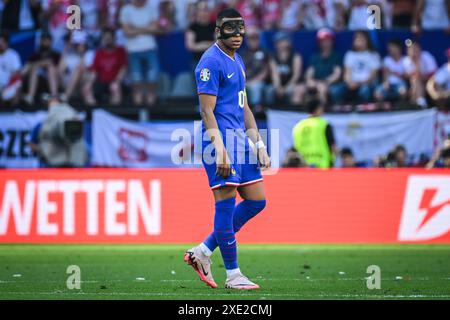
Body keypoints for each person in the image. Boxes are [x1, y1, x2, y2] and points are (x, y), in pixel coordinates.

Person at [185, 8, 270, 290]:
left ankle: (203, 251)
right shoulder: (209, 62)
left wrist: (258, 143)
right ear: (218, 30)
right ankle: (233, 275)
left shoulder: (238, 59)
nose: (237, 35)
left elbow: (244, 105)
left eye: (241, 29)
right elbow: (207, 112)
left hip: (241, 142)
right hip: (219, 141)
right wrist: (220, 150)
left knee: (257, 201)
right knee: (225, 206)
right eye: (230, 29)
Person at [119, 0, 163, 106]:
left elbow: (155, 28)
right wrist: (146, 28)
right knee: (136, 80)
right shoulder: (126, 10)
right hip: (133, 50)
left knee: (152, 79)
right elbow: (127, 32)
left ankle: (151, 110)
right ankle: (138, 111)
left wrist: (134, 28)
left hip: (150, 48)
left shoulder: (151, 9)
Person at [333, 31, 380, 104]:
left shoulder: (373, 55)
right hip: (351, 84)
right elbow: (347, 74)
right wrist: (349, 82)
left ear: (367, 40)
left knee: (364, 91)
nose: (358, 40)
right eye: (356, 38)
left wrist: (359, 84)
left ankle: (364, 112)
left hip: (367, 84)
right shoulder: (349, 54)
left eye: (361, 38)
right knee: (336, 91)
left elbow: (373, 76)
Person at [83, 28, 127, 106]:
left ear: (114, 38)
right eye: (105, 38)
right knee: (87, 89)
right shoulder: (99, 53)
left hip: (116, 81)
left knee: (115, 87)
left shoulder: (121, 51)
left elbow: (123, 68)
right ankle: (94, 112)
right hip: (101, 82)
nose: (108, 41)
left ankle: (114, 112)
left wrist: (117, 81)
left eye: (109, 38)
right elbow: (94, 71)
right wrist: (89, 83)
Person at [292, 96, 337, 168]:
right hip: (323, 166)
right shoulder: (324, 124)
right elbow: (333, 147)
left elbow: (296, 148)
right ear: (318, 108)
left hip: (303, 167)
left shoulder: (298, 126)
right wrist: (332, 161)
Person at [304, 28, 342, 106]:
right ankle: (298, 113)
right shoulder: (314, 57)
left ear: (332, 41)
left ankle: (321, 113)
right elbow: (309, 73)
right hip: (316, 82)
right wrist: (310, 81)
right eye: (323, 41)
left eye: (328, 40)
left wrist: (325, 82)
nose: (325, 43)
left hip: (331, 83)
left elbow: (337, 74)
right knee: (299, 89)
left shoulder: (336, 57)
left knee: (322, 88)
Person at [22, 32, 60, 105]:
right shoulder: (35, 55)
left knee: (50, 68)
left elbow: (57, 69)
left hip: (54, 79)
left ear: (51, 42)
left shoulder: (56, 55)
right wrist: (41, 64)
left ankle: (54, 96)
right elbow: (26, 69)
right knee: (35, 70)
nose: (44, 42)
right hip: (37, 80)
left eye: (46, 40)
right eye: (43, 40)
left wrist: (37, 64)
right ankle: (30, 97)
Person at [268, 31, 303, 106]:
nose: (278, 44)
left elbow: (296, 75)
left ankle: (293, 112)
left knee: (293, 90)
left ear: (288, 43)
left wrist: (286, 88)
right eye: (276, 43)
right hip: (280, 84)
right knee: (270, 90)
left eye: (281, 42)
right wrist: (278, 87)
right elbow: (274, 74)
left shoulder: (295, 56)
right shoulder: (273, 57)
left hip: (292, 83)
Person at [240, 27, 270, 110]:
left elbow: (266, 71)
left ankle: (254, 111)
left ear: (259, 40)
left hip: (259, 82)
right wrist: (244, 81)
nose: (253, 41)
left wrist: (253, 81)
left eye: (255, 39)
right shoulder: (242, 54)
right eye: (250, 39)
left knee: (255, 87)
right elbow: (239, 70)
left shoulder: (265, 52)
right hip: (245, 81)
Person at [403, 40, 437, 108]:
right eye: (411, 48)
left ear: (420, 48)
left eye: (415, 48)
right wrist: (416, 63)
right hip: (416, 83)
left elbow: (434, 74)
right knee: (416, 80)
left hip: (431, 80)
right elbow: (406, 76)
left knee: (416, 80)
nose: (413, 50)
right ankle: (421, 103)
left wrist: (417, 63)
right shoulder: (406, 60)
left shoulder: (427, 56)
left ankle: (413, 104)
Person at [185, 1, 215, 67]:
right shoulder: (192, 27)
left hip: (214, 61)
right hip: (198, 61)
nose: (204, 12)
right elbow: (190, 46)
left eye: (206, 9)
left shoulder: (214, 25)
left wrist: (199, 45)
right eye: (201, 10)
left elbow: (219, 43)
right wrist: (208, 44)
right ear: (197, 12)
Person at [0, 31, 22, 105]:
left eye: (1, 42)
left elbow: (17, 73)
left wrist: (6, 85)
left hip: (8, 84)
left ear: (6, 43)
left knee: (18, 83)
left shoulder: (13, 55)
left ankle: (14, 108)